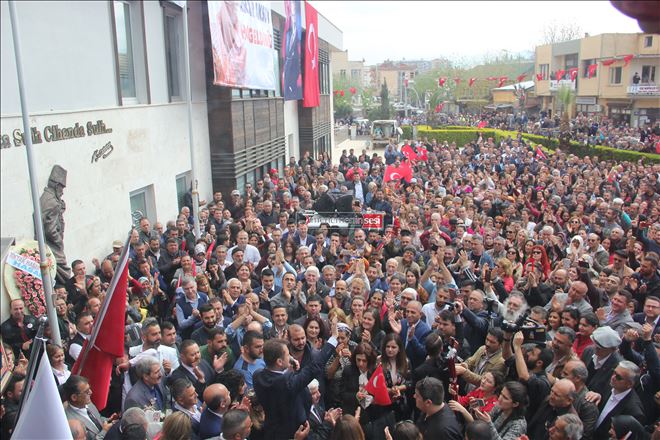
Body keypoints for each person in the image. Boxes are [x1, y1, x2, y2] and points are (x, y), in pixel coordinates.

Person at [253, 321, 338, 440]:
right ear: (279, 362)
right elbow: (314, 367)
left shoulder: (258, 376)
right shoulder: (288, 384)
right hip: (294, 434)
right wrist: (333, 340)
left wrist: (289, 363)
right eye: (288, 355)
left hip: (272, 431)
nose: (291, 357)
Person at [63, 375, 118, 440]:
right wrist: (104, 431)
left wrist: (108, 420)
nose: (91, 392)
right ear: (74, 397)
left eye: (89, 389)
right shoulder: (71, 422)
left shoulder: (87, 402)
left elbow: (97, 419)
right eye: (86, 392)